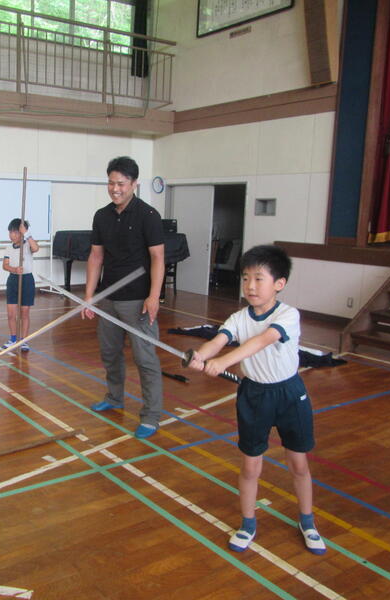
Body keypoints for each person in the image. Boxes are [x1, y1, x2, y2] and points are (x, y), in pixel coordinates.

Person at [186, 244, 326, 555]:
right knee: (250, 467)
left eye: (259, 279)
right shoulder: (238, 317)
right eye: (246, 278)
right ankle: (248, 523)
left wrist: (223, 362)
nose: (250, 285)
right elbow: (218, 341)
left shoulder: (288, 315)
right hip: (254, 396)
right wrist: (200, 356)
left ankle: (307, 521)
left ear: (279, 283)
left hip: (290, 394)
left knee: (298, 463)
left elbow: (263, 340)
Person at [81, 156, 165, 439]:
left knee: (145, 358)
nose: (115, 189)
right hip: (109, 298)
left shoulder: (148, 215)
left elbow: (158, 257)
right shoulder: (101, 216)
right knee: (109, 353)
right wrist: (89, 296)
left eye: (121, 183)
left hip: (138, 300)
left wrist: (154, 296)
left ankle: (151, 416)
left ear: (134, 184)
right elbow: (96, 256)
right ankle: (115, 397)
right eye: (111, 183)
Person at [2, 218, 40, 350]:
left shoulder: (28, 244)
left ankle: (24, 341)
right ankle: (13, 339)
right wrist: (14, 270)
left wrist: (27, 233)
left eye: (15, 232)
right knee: (11, 314)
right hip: (13, 280)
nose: (12, 235)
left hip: (27, 281)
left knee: (24, 313)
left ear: (22, 232)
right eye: (10, 232)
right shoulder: (8, 248)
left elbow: (36, 248)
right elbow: (5, 265)